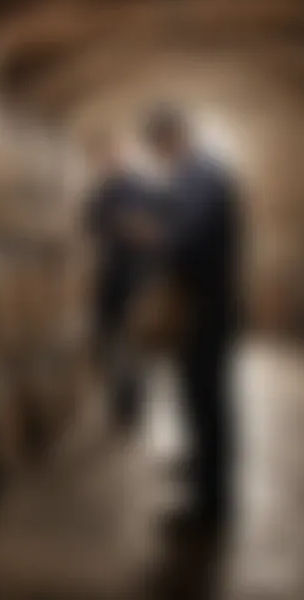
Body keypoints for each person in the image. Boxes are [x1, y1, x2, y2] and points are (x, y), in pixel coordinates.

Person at [142, 105, 242, 538]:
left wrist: (154, 237)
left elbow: (189, 241)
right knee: (203, 401)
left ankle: (209, 507)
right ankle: (207, 491)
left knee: (204, 404)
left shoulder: (198, 177)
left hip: (203, 306)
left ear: (175, 135)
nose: (160, 156)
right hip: (209, 303)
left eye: (160, 146)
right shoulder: (204, 174)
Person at [82, 130, 168, 432]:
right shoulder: (103, 192)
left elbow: (159, 230)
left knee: (134, 347)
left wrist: (138, 231)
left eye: (114, 153)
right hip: (111, 278)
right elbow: (90, 225)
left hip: (137, 278)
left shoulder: (144, 189)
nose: (110, 160)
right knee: (111, 344)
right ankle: (120, 404)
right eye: (105, 155)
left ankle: (132, 406)